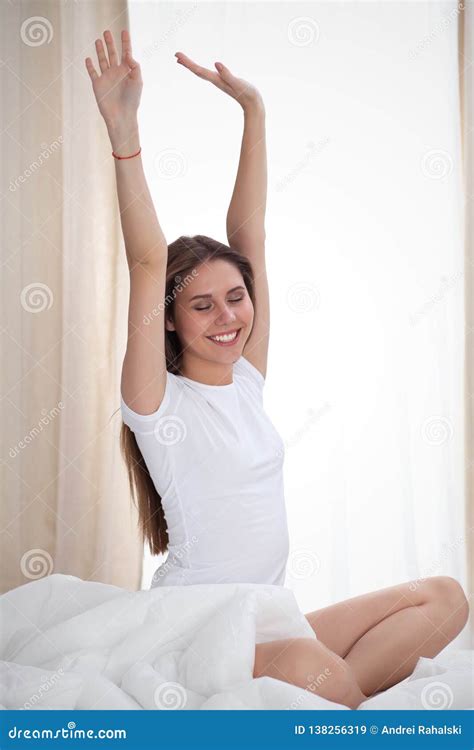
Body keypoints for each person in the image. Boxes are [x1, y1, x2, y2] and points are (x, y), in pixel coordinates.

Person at [85, 29, 469, 709]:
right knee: (318, 675)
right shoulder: (156, 404)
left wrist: (254, 112)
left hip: (273, 617)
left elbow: (249, 234)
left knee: (444, 599)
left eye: (236, 298)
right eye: (201, 306)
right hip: (198, 630)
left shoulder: (247, 382)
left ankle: (330, 691)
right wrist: (124, 130)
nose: (227, 317)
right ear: (170, 320)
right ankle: (328, 692)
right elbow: (147, 261)